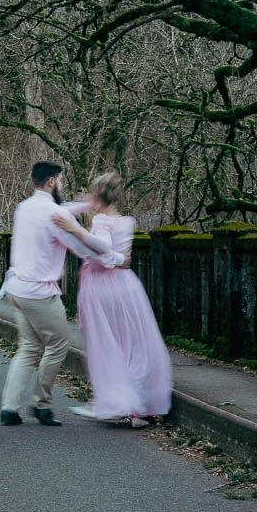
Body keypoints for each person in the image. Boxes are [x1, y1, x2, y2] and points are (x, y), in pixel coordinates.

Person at [0, 161, 117, 427]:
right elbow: (83, 249)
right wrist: (115, 258)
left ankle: (9, 407)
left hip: (15, 287)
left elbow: (61, 208)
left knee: (28, 348)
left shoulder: (24, 207)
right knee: (58, 345)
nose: (61, 185)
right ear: (52, 181)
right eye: (60, 181)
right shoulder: (55, 214)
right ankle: (41, 403)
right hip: (39, 292)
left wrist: (87, 203)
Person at [52, 173, 171, 428]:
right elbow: (121, 256)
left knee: (107, 344)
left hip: (101, 286)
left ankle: (118, 400)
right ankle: (139, 403)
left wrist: (75, 229)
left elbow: (103, 249)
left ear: (97, 196)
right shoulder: (127, 221)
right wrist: (116, 258)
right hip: (126, 284)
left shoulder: (102, 221)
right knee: (132, 344)